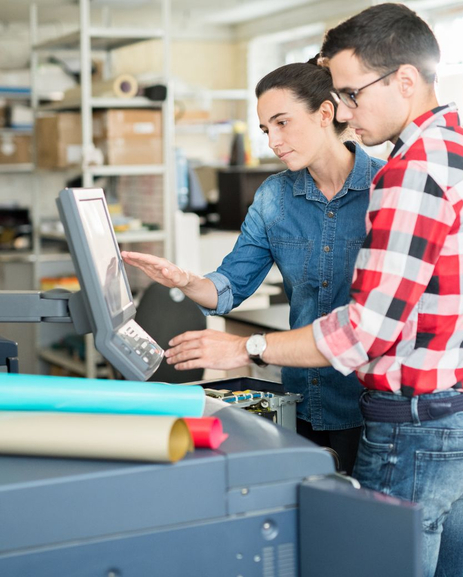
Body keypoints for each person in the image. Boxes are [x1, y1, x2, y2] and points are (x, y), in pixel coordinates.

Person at [163, 4, 463, 577]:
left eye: (351, 93)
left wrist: (245, 346)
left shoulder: (407, 175)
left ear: (405, 80)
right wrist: (191, 284)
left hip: (411, 426)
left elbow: (362, 332)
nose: (348, 110)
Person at [123, 60, 385, 475]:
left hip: (372, 406)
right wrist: (187, 280)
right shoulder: (274, 197)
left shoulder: (387, 189)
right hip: (301, 398)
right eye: (266, 130)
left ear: (324, 113)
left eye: (282, 122)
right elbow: (230, 287)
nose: (273, 141)